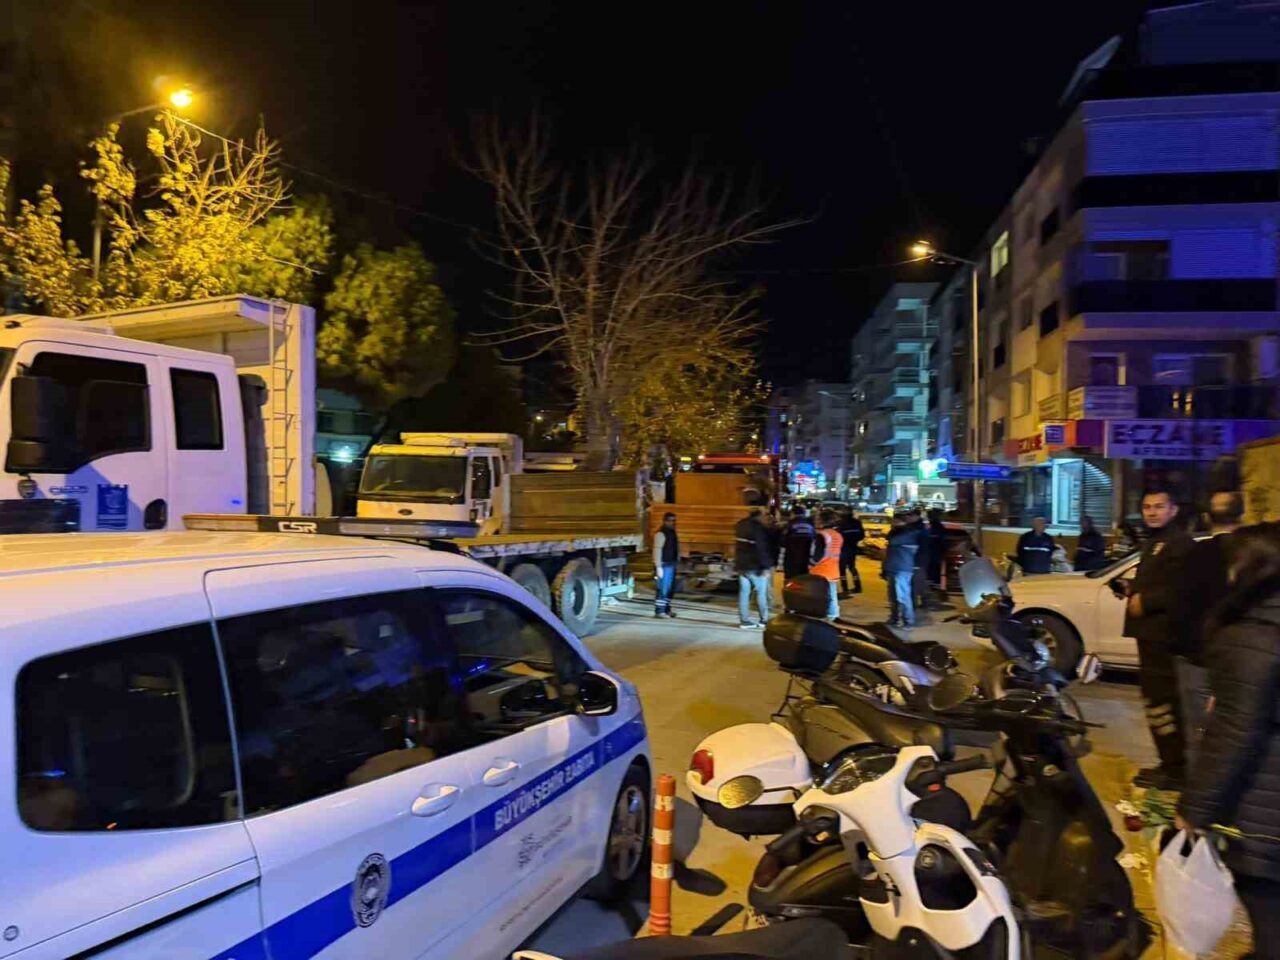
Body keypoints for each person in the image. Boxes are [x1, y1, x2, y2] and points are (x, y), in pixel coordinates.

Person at [1178, 522, 1280, 960]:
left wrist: (1194, 810)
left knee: (1270, 920)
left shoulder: (1252, 635)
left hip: (1265, 814)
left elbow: (1235, 732)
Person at [1123, 488, 1195, 790]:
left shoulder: (1180, 543)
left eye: (1159, 506)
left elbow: (1183, 589)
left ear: (1173, 510)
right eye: (1147, 507)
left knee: (1164, 703)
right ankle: (1168, 764)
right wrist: (1131, 589)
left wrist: (1147, 601)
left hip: (1163, 638)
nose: (1152, 512)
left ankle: (1175, 770)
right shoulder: (1155, 541)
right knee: (1154, 703)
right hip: (1149, 637)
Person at [1177, 490, 1245, 745]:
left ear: (1206, 518)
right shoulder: (1256, 554)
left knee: (1200, 733)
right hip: (1242, 660)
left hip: (1199, 658)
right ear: (1241, 516)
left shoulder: (1194, 554)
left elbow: (1180, 608)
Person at [734, 507, 774, 628]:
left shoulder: (740, 525)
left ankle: (744, 621)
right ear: (759, 516)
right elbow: (761, 549)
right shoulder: (758, 528)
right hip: (755, 566)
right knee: (761, 593)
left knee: (744, 594)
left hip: (741, 565)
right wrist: (765, 567)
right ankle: (764, 620)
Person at [882, 513, 922, 628]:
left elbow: (892, 540)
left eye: (895, 521)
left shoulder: (909, 533)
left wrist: (893, 531)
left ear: (902, 522)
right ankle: (894, 618)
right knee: (893, 596)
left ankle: (908, 620)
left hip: (903, 568)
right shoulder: (898, 532)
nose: (892, 523)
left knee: (903, 596)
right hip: (892, 567)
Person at [810, 511, 845, 620]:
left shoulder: (822, 535)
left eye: (818, 518)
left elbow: (817, 554)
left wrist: (810, 563)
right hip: (833, 569)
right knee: (831, 595)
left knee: (818, 596)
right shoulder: (837, 535)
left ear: (823, 520)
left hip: (820, 570)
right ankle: (833, 615)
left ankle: (820, 616)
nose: (816, 520)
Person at [652, 512, 679, 618]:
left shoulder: (672, 532)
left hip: (671, 564)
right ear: (664, 521)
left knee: (670, 589)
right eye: (669, 520)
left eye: (673, 520)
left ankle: (667, 609)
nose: (672, 522)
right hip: (664, 564)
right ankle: (659, 611)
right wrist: (658, 566)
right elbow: (657, 550)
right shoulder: (661, 533)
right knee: (663, 588)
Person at [782, 506, 816, 580]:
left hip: (792, 556)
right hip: (806, 556)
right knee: (804, 578)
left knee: (791, 578)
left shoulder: (790, 523)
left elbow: (783, 540)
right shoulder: (810, 524)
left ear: (793, 513)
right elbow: (814, 538)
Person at [837, 509, 865, 597]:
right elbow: (862, 535)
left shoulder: (841, 523)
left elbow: (838, 536)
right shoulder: (856, 523)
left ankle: (845, 588)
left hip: (843, 548)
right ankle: (858, 586)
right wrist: (854, 541)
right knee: (852, 568)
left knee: (842, 570)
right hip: (853, 547)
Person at [925, 509, 947, 590]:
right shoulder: (939, 527)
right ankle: (934, 586)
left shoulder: (930, 527)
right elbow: (943, 541)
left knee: (930, 570)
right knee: (935, 570)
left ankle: (931, 586)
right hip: (935, 554)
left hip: (930, 554)